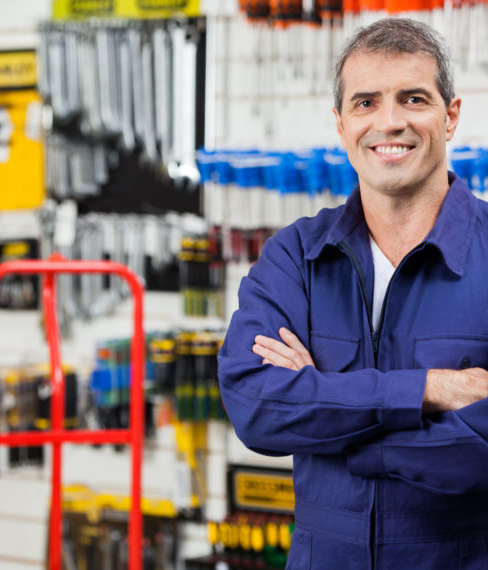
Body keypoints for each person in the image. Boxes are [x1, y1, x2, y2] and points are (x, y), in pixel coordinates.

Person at [218, 17, 488, 569]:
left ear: (451, 115)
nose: (389, 122)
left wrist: (332, 423)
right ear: (341, 124)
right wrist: (428, 391)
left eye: (413, 98)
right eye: (366, 103)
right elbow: (259, 408)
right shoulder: (295, 256)